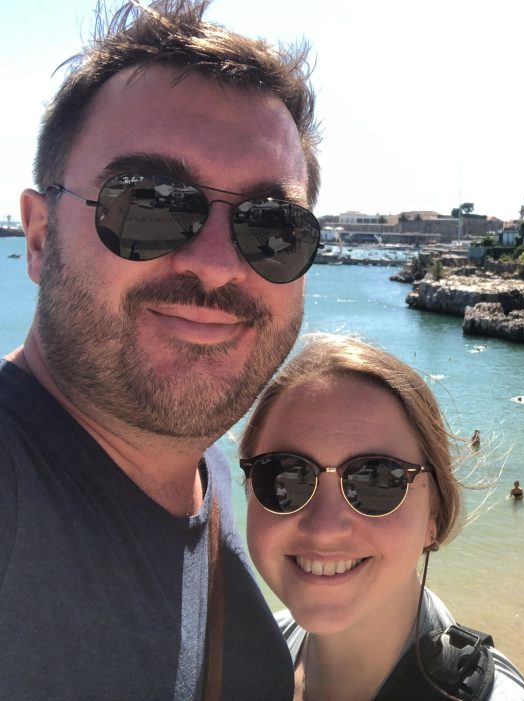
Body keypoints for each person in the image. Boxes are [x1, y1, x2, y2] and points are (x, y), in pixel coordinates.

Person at [0, 2, 322, 697]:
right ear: (38, 235)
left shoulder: (209, 470)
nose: (217, 264)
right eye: (148, 202)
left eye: (271, 226)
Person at [240, 334, 524, 700]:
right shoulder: (247, 660)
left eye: (378, 478)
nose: (324, 529)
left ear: (435, 513)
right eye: (284, 476)